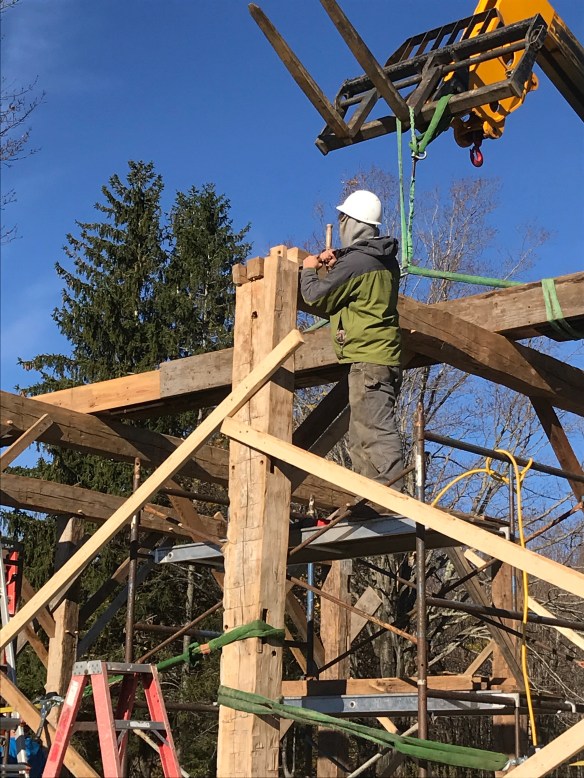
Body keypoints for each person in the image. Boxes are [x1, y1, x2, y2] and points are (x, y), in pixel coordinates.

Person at [300, 190, 405, 500]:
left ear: (353, 223)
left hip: (368, 359)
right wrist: (338, 262)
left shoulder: (359, 261)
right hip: (376, 358)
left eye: (342, 219)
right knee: (360, 433)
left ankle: (388, 495)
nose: (340, 224)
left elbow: (316, 295)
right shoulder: (378, 260)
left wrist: (308, 268)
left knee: (373, 430)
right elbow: (354, 285)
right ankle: (369, 496)